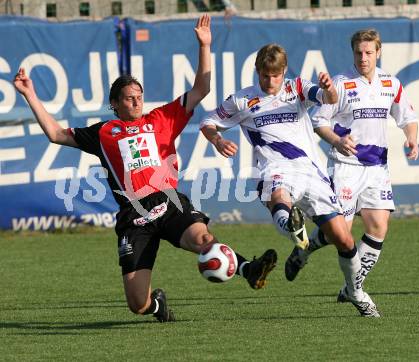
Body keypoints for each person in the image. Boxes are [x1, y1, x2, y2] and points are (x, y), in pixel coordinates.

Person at [13, 14, 277, 323]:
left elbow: (201, 88)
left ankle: (248, 269)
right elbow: (56, 134)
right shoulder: (103, 133)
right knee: (137, 303)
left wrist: (205, 45)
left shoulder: (161, 118)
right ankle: (157, 306)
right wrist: (30, 94)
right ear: (115, 103)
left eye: (139, 96)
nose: (137, 102)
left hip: (168, 200)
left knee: (204, 239)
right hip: (133, 215)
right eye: (129, 98)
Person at [200, 43, 381, 317]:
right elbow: (208, 122)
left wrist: (329, 88)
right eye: (264, 75)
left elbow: (328, 99)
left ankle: (355, 291)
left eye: (274, 75)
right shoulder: (241, 100)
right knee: (278, 197)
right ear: (257, 71)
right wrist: (217, 139)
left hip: (311, 172)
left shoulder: (295, 87)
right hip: (275, 169)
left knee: (343, 239)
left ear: (283, 71)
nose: (269, 81)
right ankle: (293, 228)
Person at [287, 29, 419, 304]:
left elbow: (407, 116)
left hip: (377, 168)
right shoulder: (341, 84)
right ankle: (303, 251)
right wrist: (337, 140)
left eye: (369, 52)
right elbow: (318, 121)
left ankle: (352, 287)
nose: (363, 57)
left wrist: (411, 138)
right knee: (340, 233)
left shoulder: (390, 84)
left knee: (379, 227)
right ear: (353, 53)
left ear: (378, 53)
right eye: (359, 52)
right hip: (345, 166)